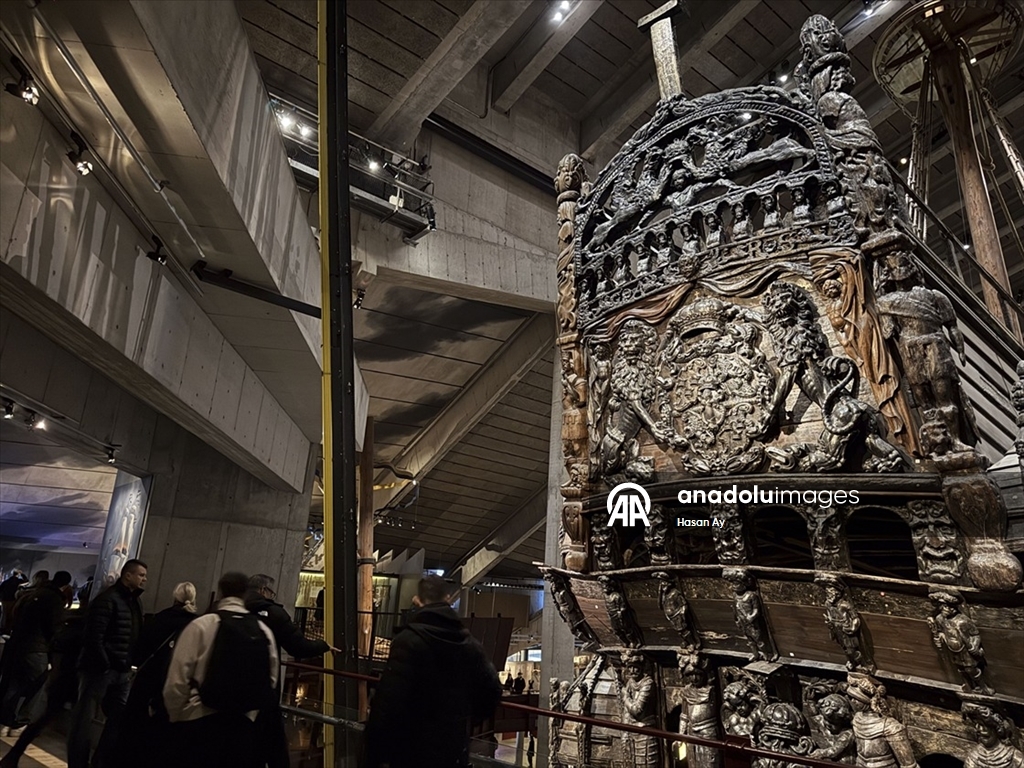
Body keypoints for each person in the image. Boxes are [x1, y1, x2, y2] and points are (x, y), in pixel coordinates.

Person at [363, 575, 502, 768]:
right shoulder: (469, 644)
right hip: (452, 752)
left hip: (411, 751)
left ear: (417, 601)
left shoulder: (407, 642)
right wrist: (465, 720)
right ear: (447, 599)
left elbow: (388, 705)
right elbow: (492, 692)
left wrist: (373, 755)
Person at [163, 572, 278, 768]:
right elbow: (271, 679)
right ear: (246, 594)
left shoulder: (202, 625)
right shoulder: (262, 630)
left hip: (199, 720)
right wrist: (250, 714)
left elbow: (177, 680)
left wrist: (178, 716)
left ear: (221, 591)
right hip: (242, 727)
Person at [245, 574, 339, 768]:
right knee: (271, 746)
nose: (272, 596)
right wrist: (324, 645)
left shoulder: (233, 610)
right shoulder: (274, 614)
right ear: (263, 591)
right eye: (271, 592)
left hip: (231, 691)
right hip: (264, 690)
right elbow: (299, 647)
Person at [66, 559, 147, 768]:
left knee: (118, 719)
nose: (144, 579)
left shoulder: (134, 601)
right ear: (127, 575)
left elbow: (135, 634)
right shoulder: (107, 600)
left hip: (121, 669)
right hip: (101, 669)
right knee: (83, 720)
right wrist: (105, 664)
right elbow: (94, 636)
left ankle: (101, 761)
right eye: (140, 575)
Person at [111, 582, 199, 768]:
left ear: (175, 597)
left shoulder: (159, 619)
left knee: (136, 731)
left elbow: (139, 650)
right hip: (178, 687)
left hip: (148, 683)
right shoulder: (197, 625)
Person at [1, 603, 87, 768]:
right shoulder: (85, 628)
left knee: (41, 715)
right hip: (75, 680)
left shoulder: (68, 627)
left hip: (60, 677)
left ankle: (12, 747)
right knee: (78, 728)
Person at [0, 571, 72, 735]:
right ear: (66, 585)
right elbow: (54, 628)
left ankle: (4, 722)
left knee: (14, 685)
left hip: (17, 645)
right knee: (38, 684)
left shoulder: (32, 594)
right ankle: (20, 722)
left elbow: (15, 616)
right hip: (37, 648)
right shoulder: (55, 600)